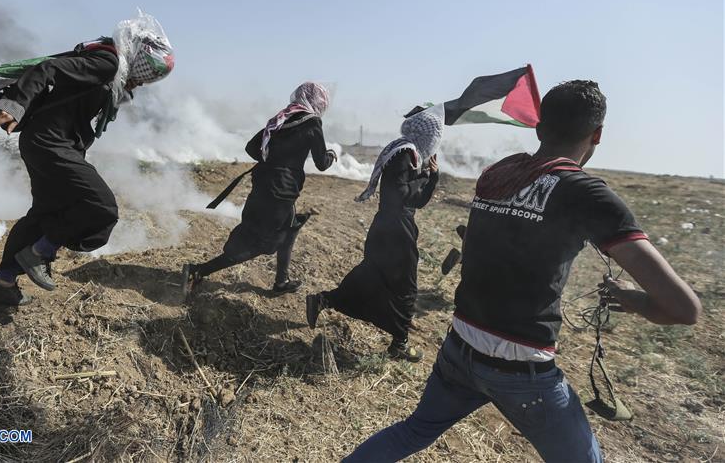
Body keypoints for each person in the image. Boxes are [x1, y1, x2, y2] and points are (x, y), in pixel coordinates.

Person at [343, 80, 702, 462]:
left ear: (538, 127)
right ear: (597, 134)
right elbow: (684, 309)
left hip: (460, 349)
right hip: (521, 370)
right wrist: (632, 300)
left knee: (413, 431)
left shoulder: (501, 172)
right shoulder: (588, 194)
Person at [0, 17, 174, 306]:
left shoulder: (107, 65)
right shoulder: (107, 63)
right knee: (102, 208)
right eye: (146, 74)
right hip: (50, 144)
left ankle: (3, 282)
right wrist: (14, 105)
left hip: (50, 144)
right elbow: (48, 69)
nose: (143, 82)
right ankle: (40, 252)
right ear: (138, 59)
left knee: (45, 213)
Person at [305, 106, 444, 362]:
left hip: (389, 227)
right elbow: (403, 196)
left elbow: (410, 196)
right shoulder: (406, 154)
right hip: (396, 231)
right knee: (405, 288)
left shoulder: (406, 152)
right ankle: (399, 344)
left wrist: (427, 176)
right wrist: (427, 178)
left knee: (370, 277)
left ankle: (323, 300)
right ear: (428, 137)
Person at [182, 82, 336, 297]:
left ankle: (281, 281)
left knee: (289, 229)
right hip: (281, 192)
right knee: (263, 243)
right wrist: (330, 155)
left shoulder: (282, 118)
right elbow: (321, 163)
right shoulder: (312, 123)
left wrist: (270, 161)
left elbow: (252, 147)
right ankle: (197, 270)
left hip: (264, 184)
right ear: (318, 101)